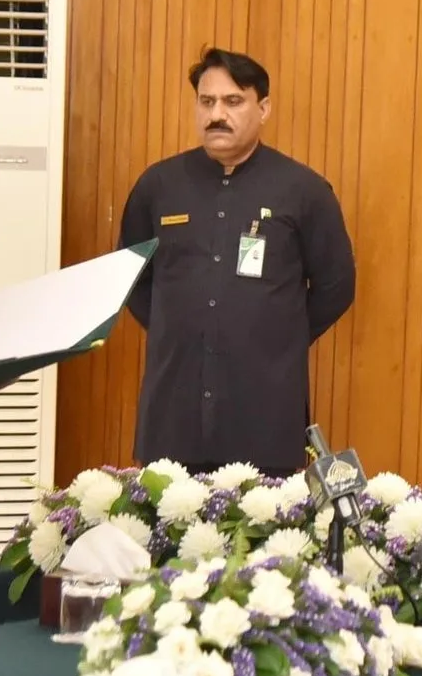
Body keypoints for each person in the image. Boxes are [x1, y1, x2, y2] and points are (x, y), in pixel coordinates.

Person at [118, 47, 355, 478]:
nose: (217, 114)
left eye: (233, 101)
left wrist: (278, 333)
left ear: (263, 108)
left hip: (265, 415)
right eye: (207, 102)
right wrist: (179, 326)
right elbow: (130, 276)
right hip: (173, 415)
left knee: (266, 540)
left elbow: (336, 285)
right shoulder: (159, 186)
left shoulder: (304, 190)